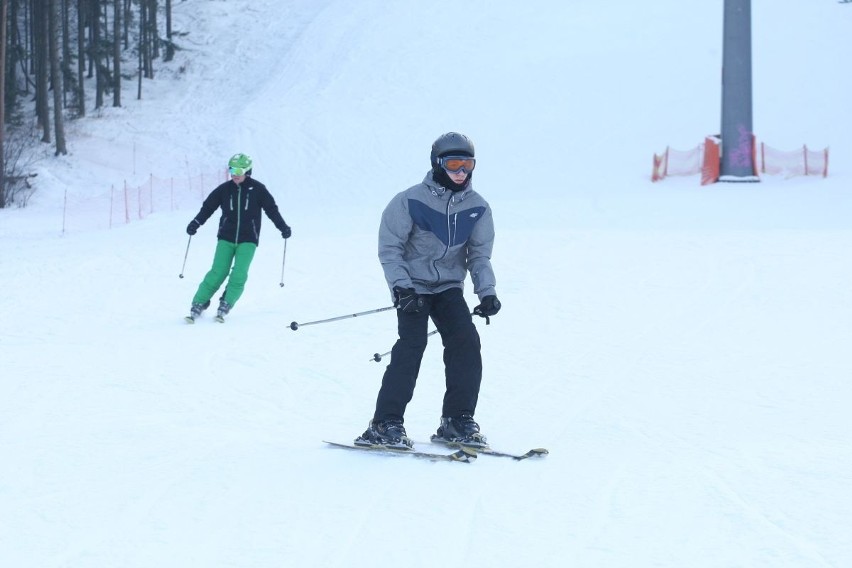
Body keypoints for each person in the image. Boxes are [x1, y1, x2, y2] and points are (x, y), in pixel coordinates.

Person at [355, 132, 501, 449]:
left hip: (448, 287)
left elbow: (479, 255)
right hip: (413, 287)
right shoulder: (410, 201)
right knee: (412, 345)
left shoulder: (478, 207)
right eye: (453, 163)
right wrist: (402, 288)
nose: (461, 171)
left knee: (466, 342)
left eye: (468, 164)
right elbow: (390, 250)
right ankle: (385, 423)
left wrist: (486, 291)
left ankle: (457, 421)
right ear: (437, 164)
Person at [185, 153, 292, 320]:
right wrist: (196, 223)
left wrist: (282, 227)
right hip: (226, 238)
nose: (234, 173)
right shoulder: (224, 189)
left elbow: (271, 209)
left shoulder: (258, 190)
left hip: (248, 239)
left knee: (239, 273)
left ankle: (226, 302)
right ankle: (199, 302)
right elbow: (208, 208)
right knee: (218, 271)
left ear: (248, 171)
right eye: (231, 169)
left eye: (239, 170)